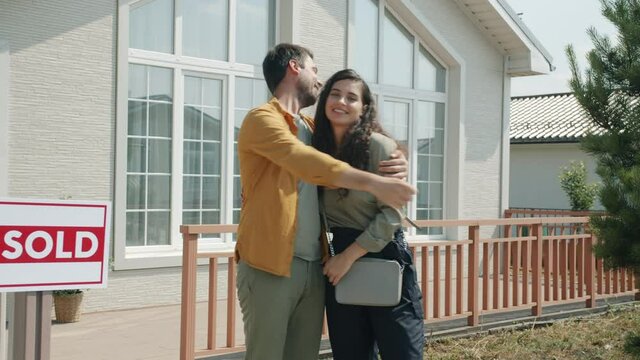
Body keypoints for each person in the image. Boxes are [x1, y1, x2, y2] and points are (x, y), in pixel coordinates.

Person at [235, 43, 416, 360]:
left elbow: (358, 134)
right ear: (294, 67)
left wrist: (398, 156)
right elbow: (302, 160)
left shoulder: (311, 128)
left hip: (316, 269)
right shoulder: (261, 120)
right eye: (315, 70)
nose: (319, 81)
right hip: (269, 266)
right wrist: (374, 182)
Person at [312, 69, 425, 360]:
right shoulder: (314, 148)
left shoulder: (380, 147)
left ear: (364, 108)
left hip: (381, 255)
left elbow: (392, 214)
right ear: (324, 99)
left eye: (351, 97)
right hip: (338, 263)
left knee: (402, 353)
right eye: (335, 94)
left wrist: (347, 257)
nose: (341, 101)